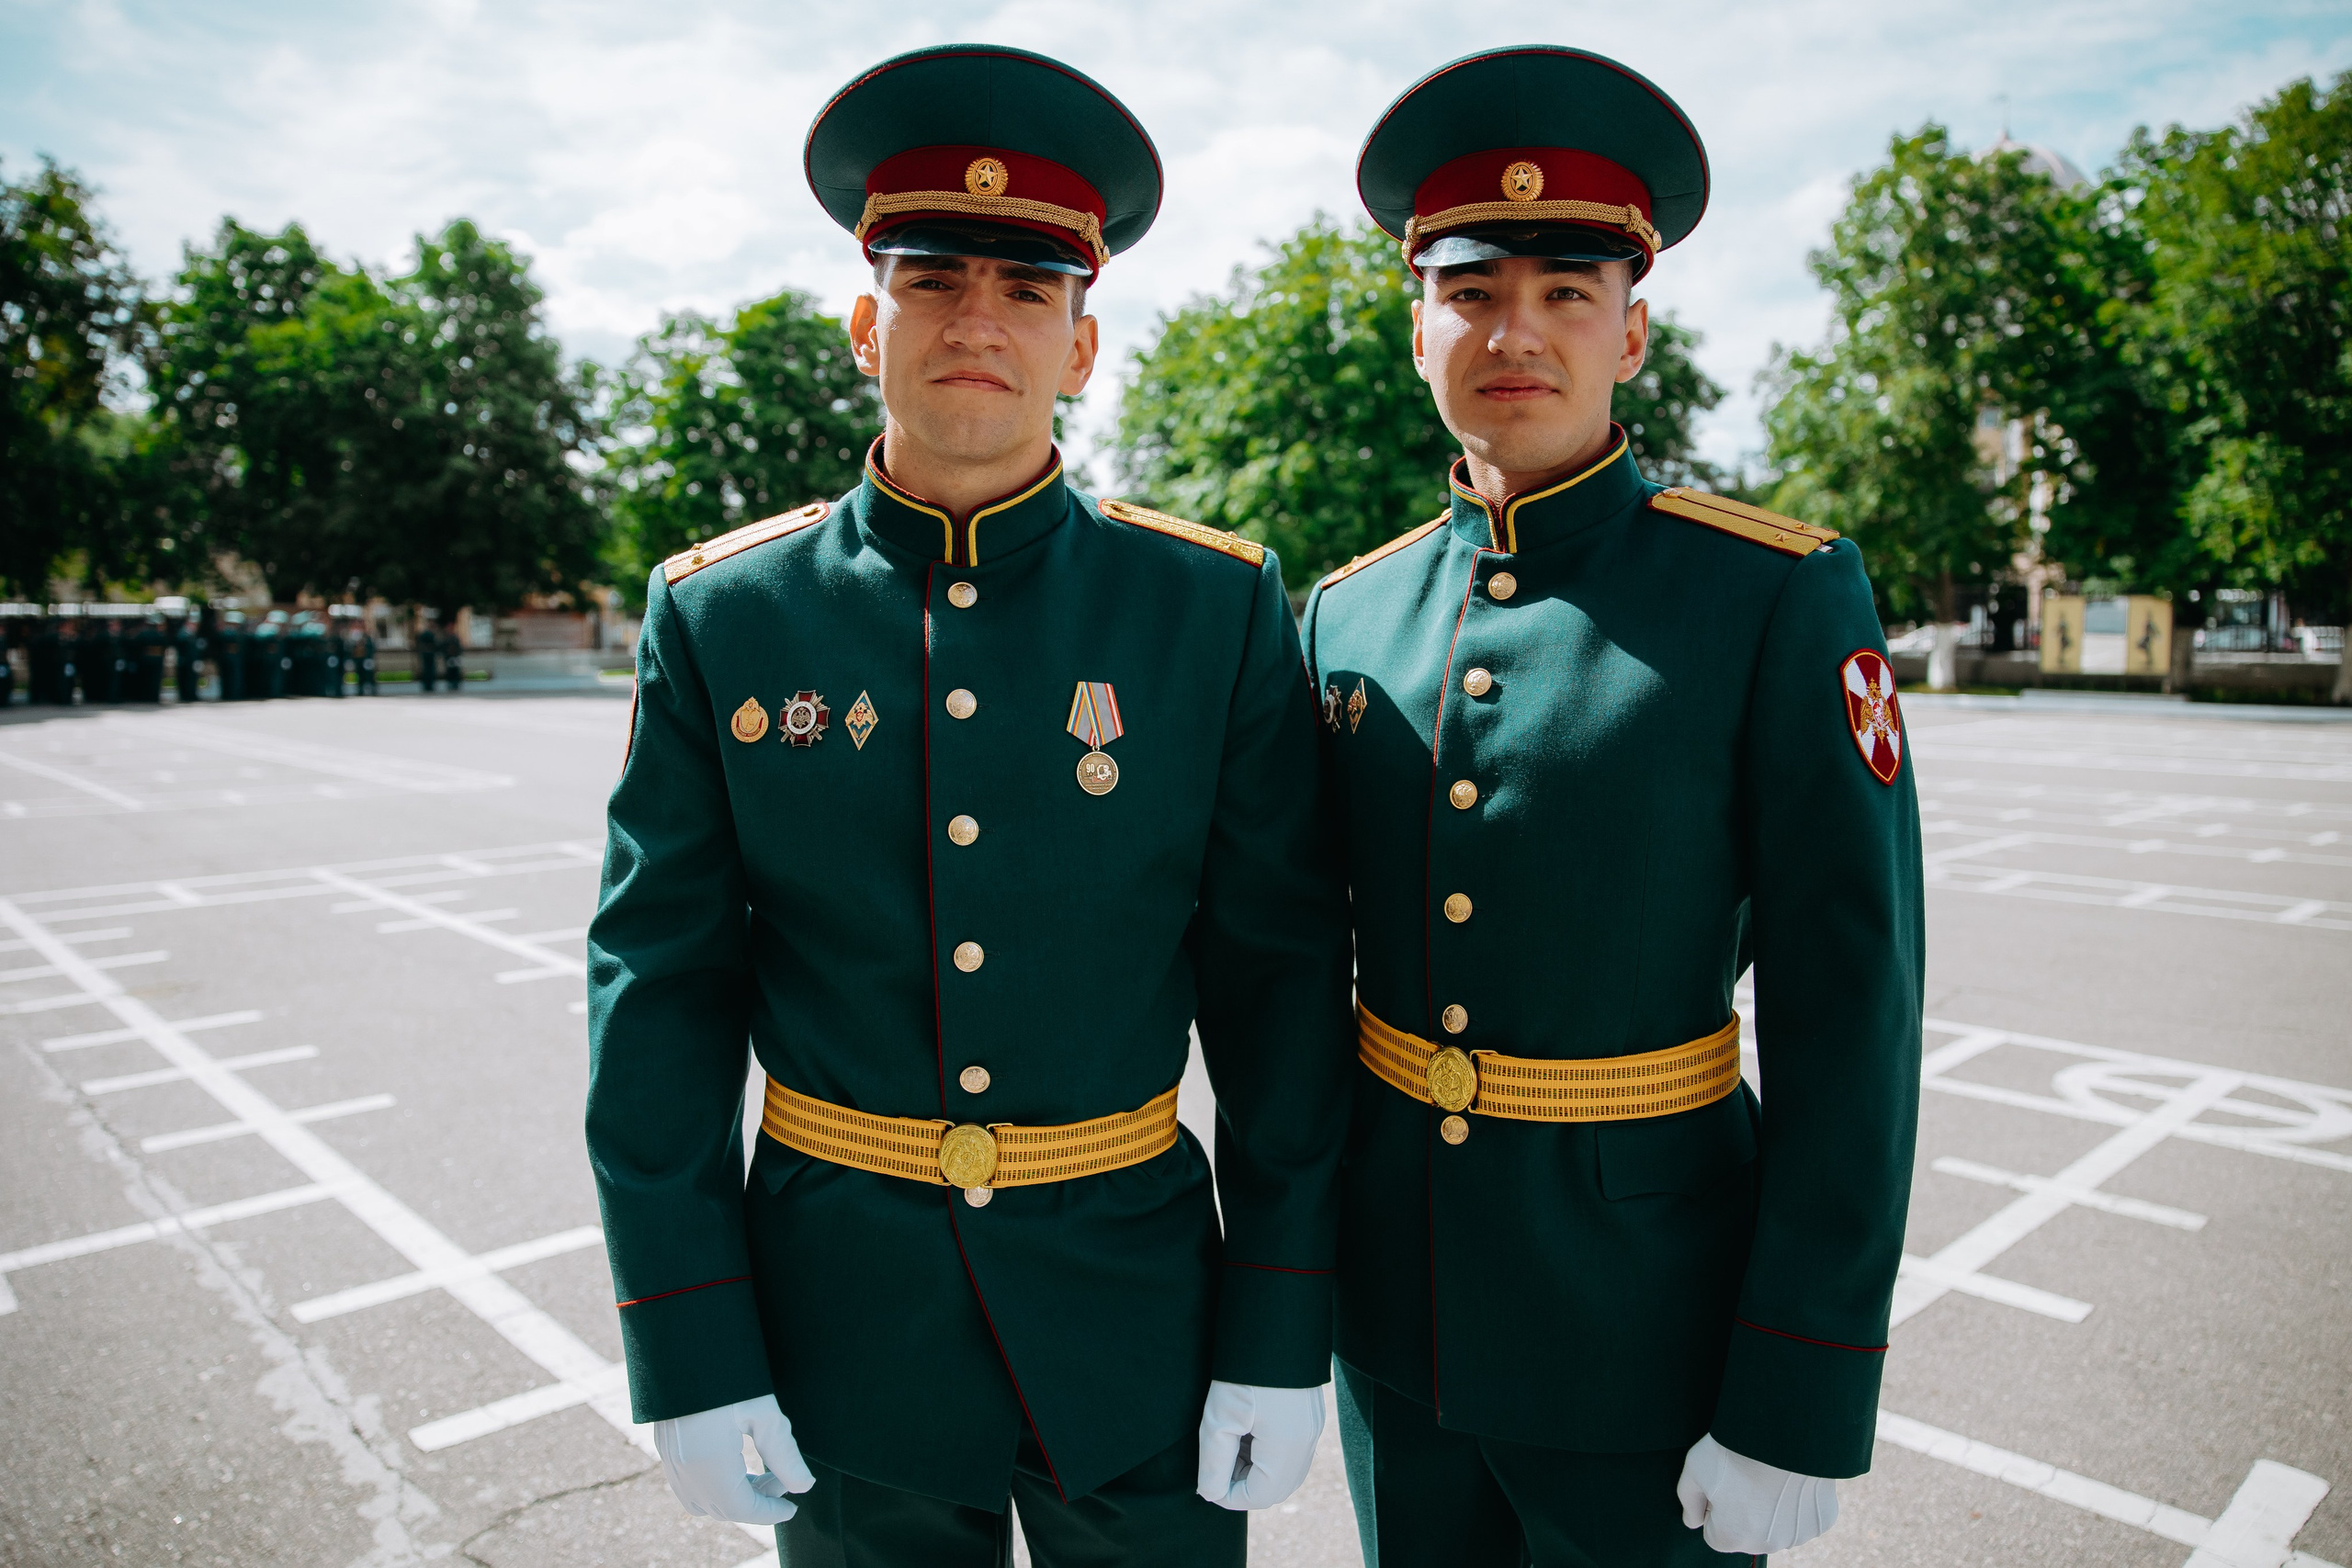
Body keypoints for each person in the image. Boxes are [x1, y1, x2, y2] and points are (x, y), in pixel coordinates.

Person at [586, 43, 1353, 1568]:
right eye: (936, 281)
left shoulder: (1207, 609)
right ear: (869, 322)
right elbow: (660, 992)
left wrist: (1279, 1319)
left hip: (1139, 1329)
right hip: (836, 1334)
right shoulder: (725, 614)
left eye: (1028, 292)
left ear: (1082, 347)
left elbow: (1278, 993)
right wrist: (686, 1338)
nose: (978, 324)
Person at [1304, 46, 1925, 1565]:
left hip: (1653, 1337)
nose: (1516, 329)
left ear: (1633, 333)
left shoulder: (1772, 594)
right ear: (1418, 327)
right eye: (1471, 291)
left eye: (1568, 290)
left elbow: (1855, 1011)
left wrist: (1802, 1388)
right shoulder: (1344, 616)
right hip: (1400, 1330)